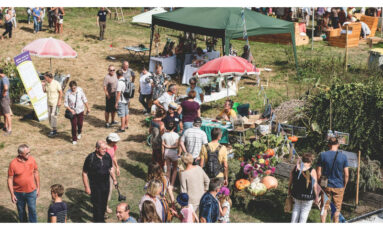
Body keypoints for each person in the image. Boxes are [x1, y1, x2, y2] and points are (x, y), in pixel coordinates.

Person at [82, 140, 117, 223]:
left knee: (104, 204)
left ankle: (101, 219)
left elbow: (111, 169)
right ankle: (98, 221)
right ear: (97, 148)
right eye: (103, 149)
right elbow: (84, 173)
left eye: (105, 149)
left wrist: (115, 180)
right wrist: (87, 187)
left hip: (106, 184)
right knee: (97, 205)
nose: (105, 150)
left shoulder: (107, 156)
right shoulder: (90, 158)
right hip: (95, 186)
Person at [317, 137, 349, 223]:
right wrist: (344, 186)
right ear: (338, 144)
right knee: (337, 210)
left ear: (328, 144)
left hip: (325, 185)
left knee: (324, 207)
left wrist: (319, 184)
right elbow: (346, 174)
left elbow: (319, 173)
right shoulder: (343, 157)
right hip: (339, 185)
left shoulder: (322, 155)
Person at [7, 144, 40, 223]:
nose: (29, 154)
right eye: (27, 153)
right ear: (20, 154)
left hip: (31, 191)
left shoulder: (32, 160)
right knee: (21, 212)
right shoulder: (13, 164)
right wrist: (12, 194)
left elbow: (36, 172)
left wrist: (38, 188)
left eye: (29, 152)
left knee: (32, 210)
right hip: (18, 193)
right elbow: (10, 179)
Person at [288, 153, 319, 223]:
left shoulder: (295, 168)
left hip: (296, 194)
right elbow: (315, 185)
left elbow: (290, 181)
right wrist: (316, 197)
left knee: (296, 209)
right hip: (308, 196)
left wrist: (289, 189)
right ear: (311, 161)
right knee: (304, 213)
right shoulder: (312, 171)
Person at [64, 81, 90, 145]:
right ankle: (74, 139)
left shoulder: (80, 91)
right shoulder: (68, 93)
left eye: (75, 88)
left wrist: (88, 108)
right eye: (72, 88)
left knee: (80, 124)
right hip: (73, 112)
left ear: (76, 87)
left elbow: (84, 99)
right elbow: (65, 104)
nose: (73, 89)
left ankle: (79, 132)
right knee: (74, 125)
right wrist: (71, 110)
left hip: (80, 110)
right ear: (70, 88)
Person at [43, 72, 63, 137]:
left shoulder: (56, 83)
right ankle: (53, 129)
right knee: (49, 116)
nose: (44, 78)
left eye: (45, 77)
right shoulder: (46, 83)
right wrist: (43, 85)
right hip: (49, 102)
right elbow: (44, 91)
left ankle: (54, 130)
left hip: (55, 103)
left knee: (53, 116)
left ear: (48, 77)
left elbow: (60, 92)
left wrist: (59, 101)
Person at [105, 133, 121, 214]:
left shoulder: (114, 146)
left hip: (111, 168)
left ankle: (105, 205)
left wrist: (117, 167)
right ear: (111, 140)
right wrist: (114, 178)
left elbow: (113, 156)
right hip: (105, 170)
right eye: (115, 141)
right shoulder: (104, 148)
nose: (116, 142)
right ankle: (104, 207)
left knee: (109, 189)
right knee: (106, 189)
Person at [162, 121, 180, 187]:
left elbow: (163, 146)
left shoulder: (164, 135)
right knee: (175, 169)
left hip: (166, 152)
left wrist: (163, 153)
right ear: (174, 127)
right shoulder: (176, 135)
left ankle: (167, 184)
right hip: (173, 152)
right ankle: (172, 184)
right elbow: (177, 146)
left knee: (168, 169)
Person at [0, 69, 12, 135]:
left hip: (4, 98)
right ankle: (5, 126)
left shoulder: (4, 79)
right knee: (4, 113)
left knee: (7, 114)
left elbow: (6, 88)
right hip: (3, 98)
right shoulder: (4, 78)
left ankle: (9, 129)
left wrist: (4, 93)